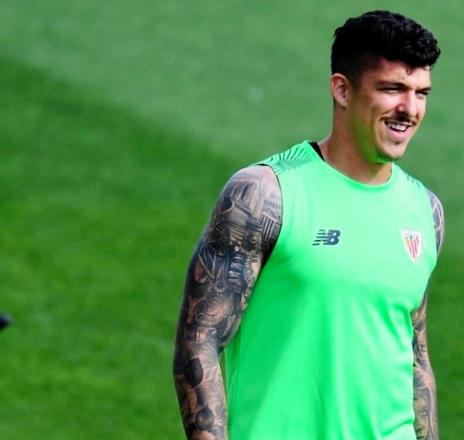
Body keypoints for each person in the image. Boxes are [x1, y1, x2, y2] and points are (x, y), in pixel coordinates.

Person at [173, 10, 444, 440]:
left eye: (420, 93)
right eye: (392, 89)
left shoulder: (424, 209)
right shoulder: (265, 196)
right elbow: (200, 341)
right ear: (342, 89)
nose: (409, 109)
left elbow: (415, 352)